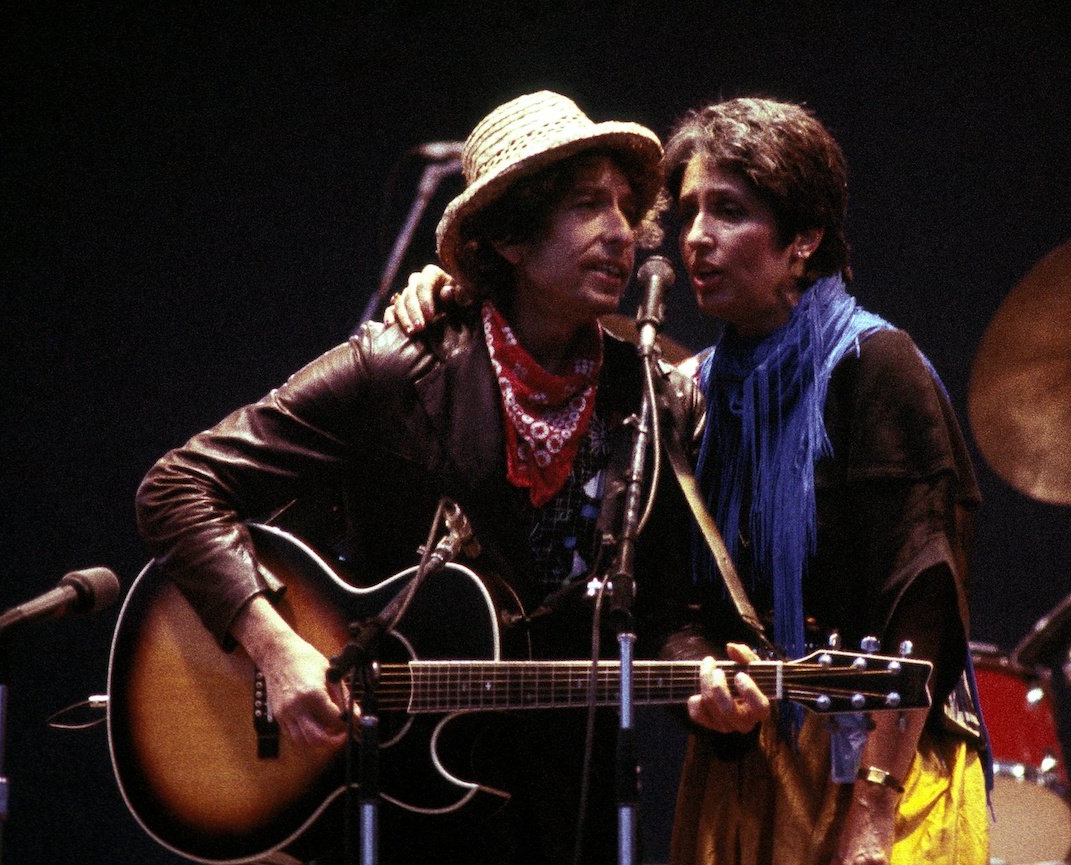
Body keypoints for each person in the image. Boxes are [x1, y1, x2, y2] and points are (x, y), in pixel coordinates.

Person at [387, 95, 989, 865]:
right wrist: (700, 676)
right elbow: (673, 600)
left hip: (889, 775)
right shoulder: (685, 390)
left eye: (730, 212)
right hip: (750, 773)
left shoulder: (876, 367)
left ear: (803, 238)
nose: (696, 238)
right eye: (691, 211)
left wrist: (872, 809)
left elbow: (923, 595)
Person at [135, 89, 704, 865]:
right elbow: (176, 488)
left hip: (568, 807)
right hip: (397, 801)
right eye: (584, 206)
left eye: (623, 207)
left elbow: (667, 608)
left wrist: (708, 679)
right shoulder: (401, 365)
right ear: (509, 236)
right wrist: (274, 645)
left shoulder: (647, 392)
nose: (620, 233)